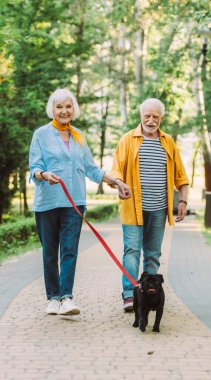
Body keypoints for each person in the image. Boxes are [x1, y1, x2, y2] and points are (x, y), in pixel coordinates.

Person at [29, 88, 131, 316]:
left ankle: (66, 297)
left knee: (69, 251)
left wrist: (115, 181)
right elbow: (34, 168)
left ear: (73, 109)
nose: (64, 111)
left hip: (74, 203)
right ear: (52, 109)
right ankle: (53, 298)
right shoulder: (41, 134)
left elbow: (91, 169)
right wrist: (44, 175)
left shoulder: (78, 136)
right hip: (47, 202)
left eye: (68, 106)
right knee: (49, 253)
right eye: (59, 107)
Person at [110, 98, 189, 311]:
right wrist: (118, 182)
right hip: (132, 207)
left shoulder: (168, 142)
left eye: (155, 117)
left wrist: (182, 201)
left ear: (161, 118)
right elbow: (116, 169)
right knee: (132, 250)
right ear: (140, 116)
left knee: (153, 253)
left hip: (159, 208)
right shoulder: (128, 140)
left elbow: (181, 176)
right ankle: (129, 294)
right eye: (147, 116)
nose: (151, 120)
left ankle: (151, 295)